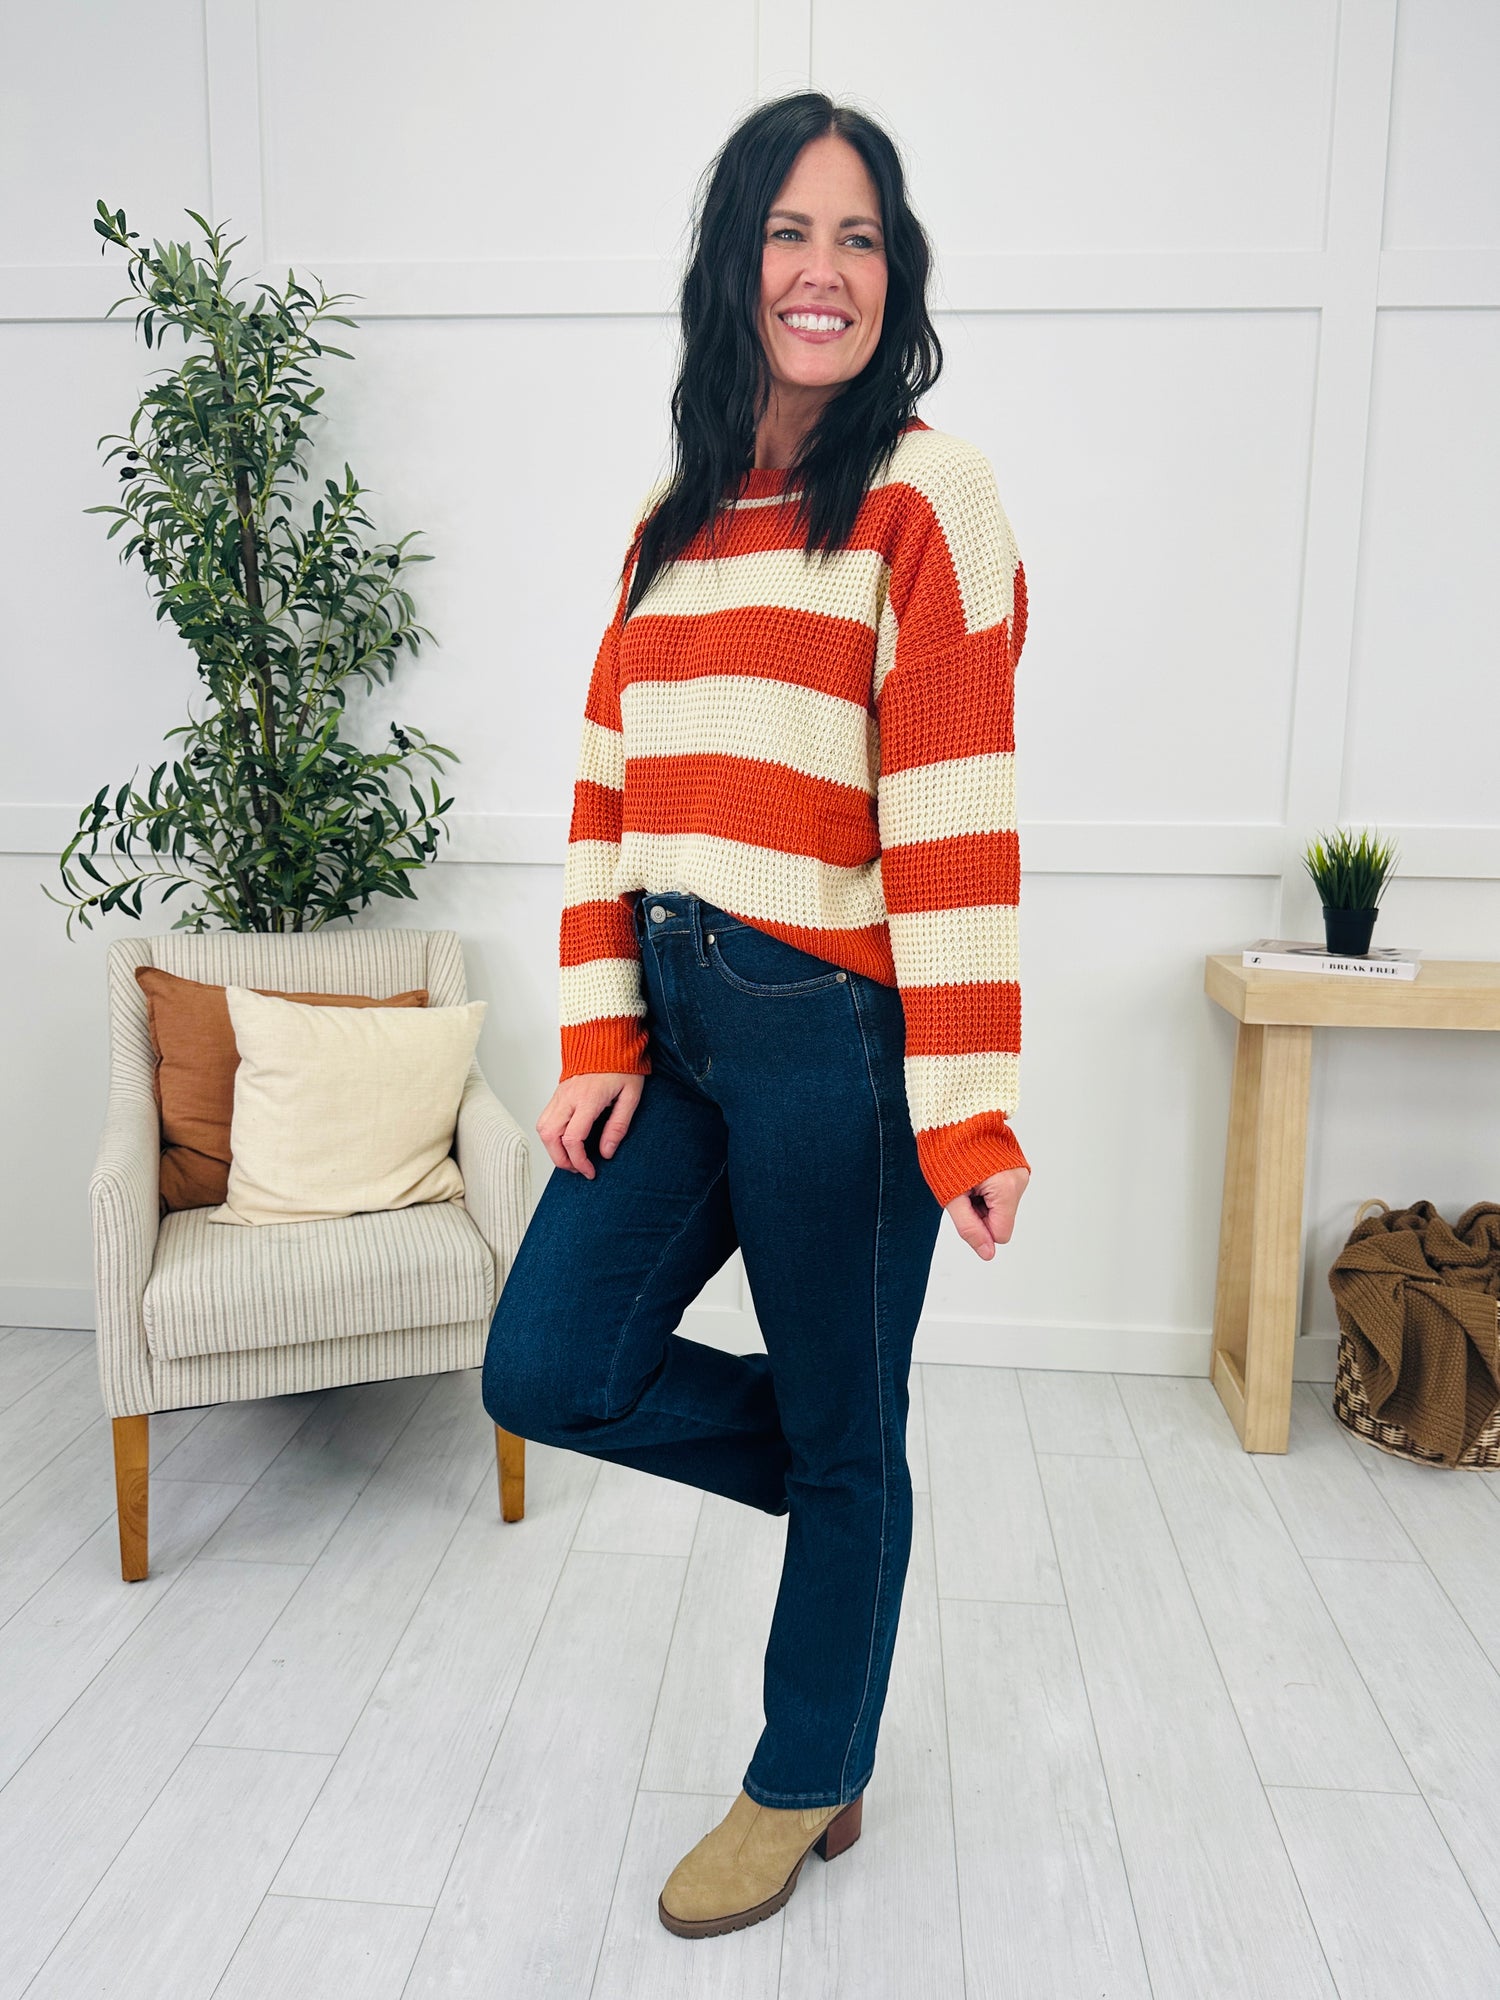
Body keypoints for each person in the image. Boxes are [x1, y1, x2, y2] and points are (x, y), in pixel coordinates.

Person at [482, 89, 1031, 1941]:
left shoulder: (929, 498)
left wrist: (967, 1110)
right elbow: (604, 794)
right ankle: (842, 1476)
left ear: (896, 274)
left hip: (834, 1048)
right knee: (548, 1366)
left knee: (846, 1436)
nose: (824, 270)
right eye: (791, 233)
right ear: (736, 264)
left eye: (859, 237)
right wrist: (598, 1038)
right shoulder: (672, 518)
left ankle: (808, 1769)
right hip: (681, 1025)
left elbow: (952, 821)